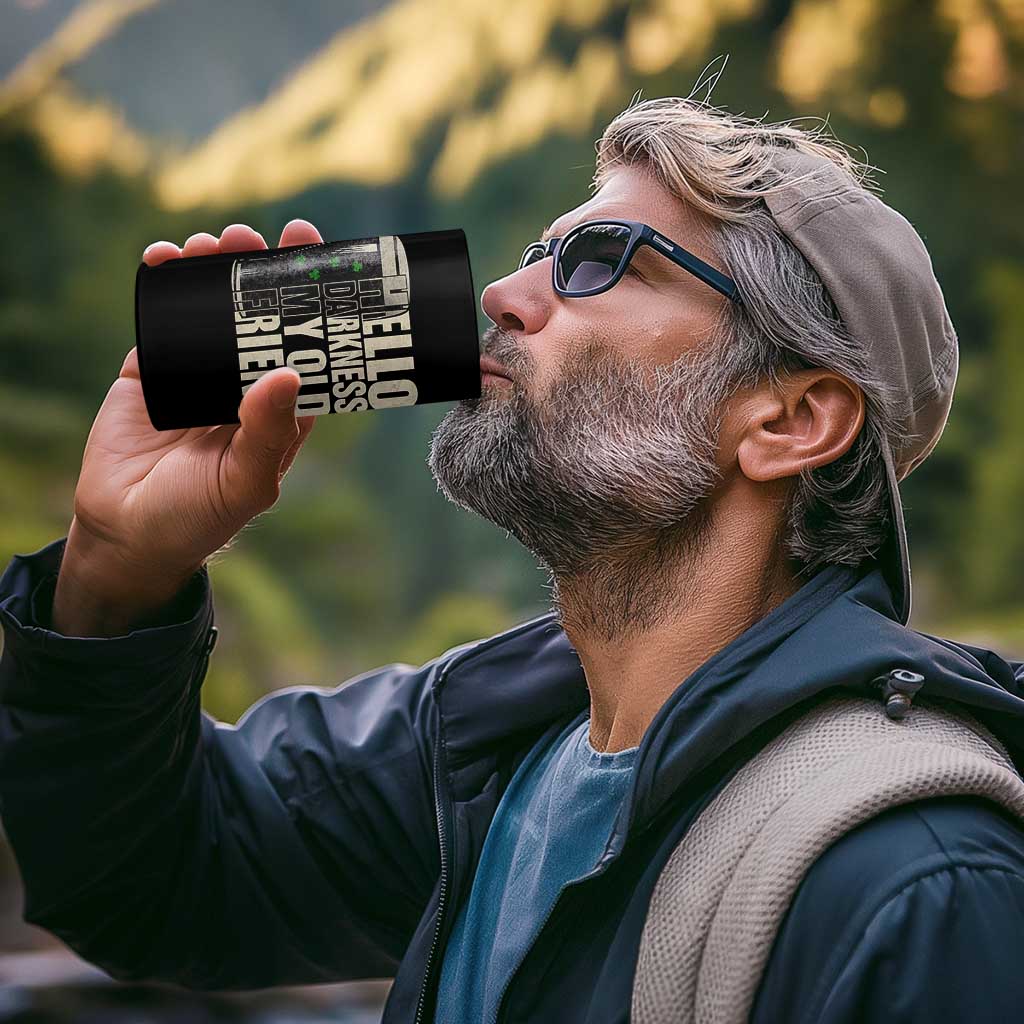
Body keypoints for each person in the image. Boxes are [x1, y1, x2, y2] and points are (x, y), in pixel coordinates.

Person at [2, 94, 1024, 1024]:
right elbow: (149, 880)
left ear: (791, 419)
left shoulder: (918, 884)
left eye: (599, 261)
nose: (502, 291)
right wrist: (116, 572)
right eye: (539, 252)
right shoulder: (480, 749)